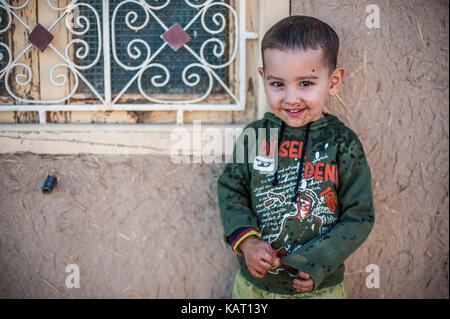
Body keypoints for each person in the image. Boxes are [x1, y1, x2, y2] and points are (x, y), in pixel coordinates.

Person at [218, 15, 375, 299]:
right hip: (255, 288)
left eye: (305, 83)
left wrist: (318, 261)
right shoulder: (255, 137)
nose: (291, 98)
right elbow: (232, 191)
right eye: (278, 84)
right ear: (264, 79)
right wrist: (248, 242)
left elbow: (358, 217)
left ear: (334, 81)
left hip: (319, 288)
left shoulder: (343, 144)